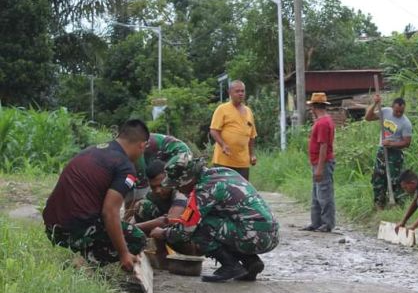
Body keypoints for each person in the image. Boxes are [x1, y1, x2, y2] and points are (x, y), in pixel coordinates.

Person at [152, 153, 280, 282]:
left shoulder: (204, 190)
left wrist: (163, 233)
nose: (178, 189)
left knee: (200, 227)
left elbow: (186, 230)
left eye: (178, 185)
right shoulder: (222, 172)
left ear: (189, 179)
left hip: (253, 236)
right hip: (270, 234)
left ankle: (230, 266)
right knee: (218, 224)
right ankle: (251, 262)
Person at [42, 119, 150, 271]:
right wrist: (124, 253)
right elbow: (110, 212)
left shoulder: (93, 150)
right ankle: (84, 263)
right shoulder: (125, 167)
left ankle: (84, 251)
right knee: (136, 238)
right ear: (142, 145)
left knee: (111, 226)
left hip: (53, 229)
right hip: (75, 231)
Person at [133, 159, 192, 266]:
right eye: (153, 187)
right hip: (167, 234)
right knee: (142, 206)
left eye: (161, 185)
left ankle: (166, 254)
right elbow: (136, 213)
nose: (158, 190)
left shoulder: (180, 191)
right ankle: (158, 252)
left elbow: (170, 220)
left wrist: (133, 228)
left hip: (187, 237)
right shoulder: (153, 194)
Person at [365, 94, 412, 208]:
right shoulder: (385, 111)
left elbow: (406, 143)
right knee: (378, 177)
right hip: (382, 151)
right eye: (397, 111)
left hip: (395, 154)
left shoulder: (406, 123)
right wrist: (375, 103)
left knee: (395, 180)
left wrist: (391, 144)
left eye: (401, 112)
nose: (399, 114)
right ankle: (379, 204)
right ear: (392, 107)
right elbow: (368, 117)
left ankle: (396, 205)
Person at [209, 80, 257, 180]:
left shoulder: (248, 111)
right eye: (237, 91)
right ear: (230, 92)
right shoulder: (222, 109)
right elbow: (213, 130)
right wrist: (223, 145)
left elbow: (252, 136)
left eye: (242, 91)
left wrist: (252, 154)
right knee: (223, 191)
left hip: (242, 162)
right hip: (223, 161)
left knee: (242, 192)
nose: (240, 94)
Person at [302, 92, 336, 233]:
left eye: (311, 107)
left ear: (315, 107)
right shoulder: (323, 121)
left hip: (322, 162)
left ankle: (327, 223)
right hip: (318, 162)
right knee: (317, 194)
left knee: (324, 194)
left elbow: (323, 145)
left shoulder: (322, 123)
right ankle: (316, 222)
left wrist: (320, 168)